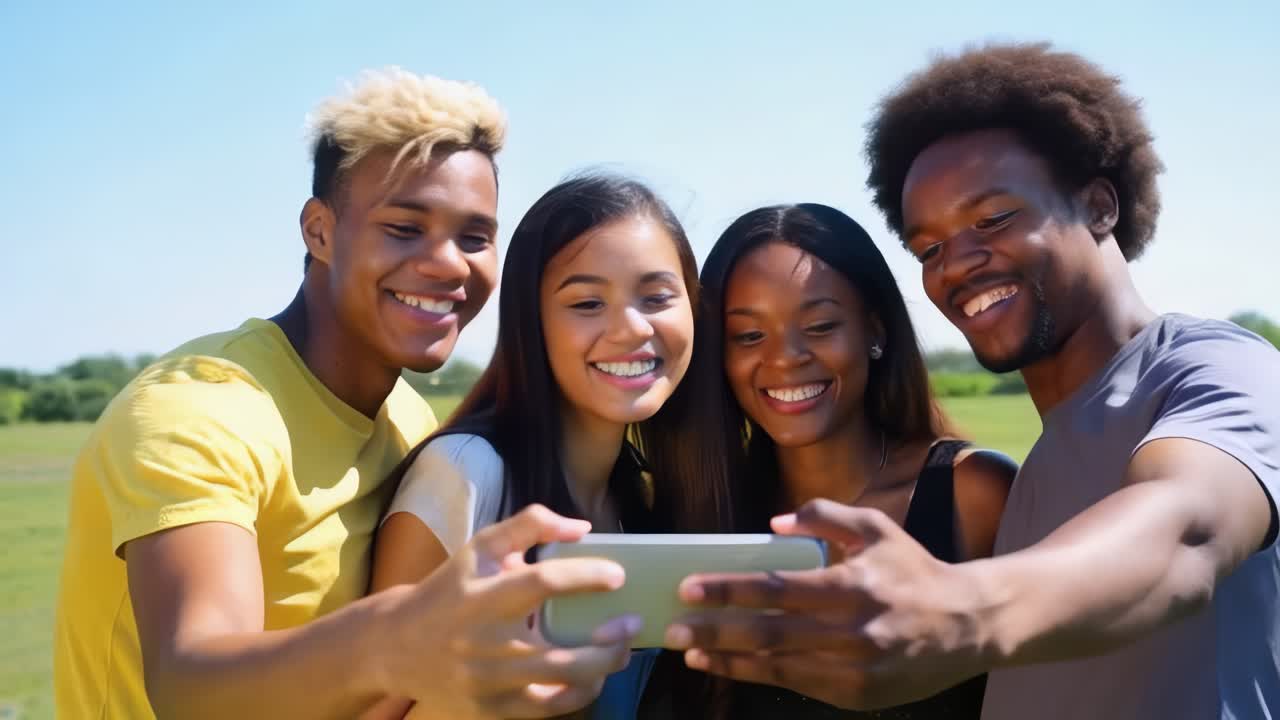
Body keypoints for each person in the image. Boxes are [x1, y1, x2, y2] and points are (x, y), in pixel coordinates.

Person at [662, 43, 1280, 719]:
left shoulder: (1219, 366)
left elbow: (1185, 532)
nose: (957, 263)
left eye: (992, 219)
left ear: (1099, 207)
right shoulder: (1047, 457)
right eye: (929, 248)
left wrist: (955, 616)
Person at [53, 69, 638, 720]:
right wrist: (395, 642)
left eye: (474, 236)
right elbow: (189, 681)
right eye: (404, 228)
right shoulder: (196, 411)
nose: (448, 263)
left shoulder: (412, 424)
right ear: (320, 231)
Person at [369, 172, 730, 719]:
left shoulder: (644, 498)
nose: (631, 328)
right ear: (531, 323)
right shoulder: (466, 474)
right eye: (586, 303)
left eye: (657, 297)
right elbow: (377, 709)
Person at [640, 204, 1016, 719]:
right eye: (749, 336)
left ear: (875, 332)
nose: (786, 356)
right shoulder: (699, 512)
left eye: (819, 325)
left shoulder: (973, 493)